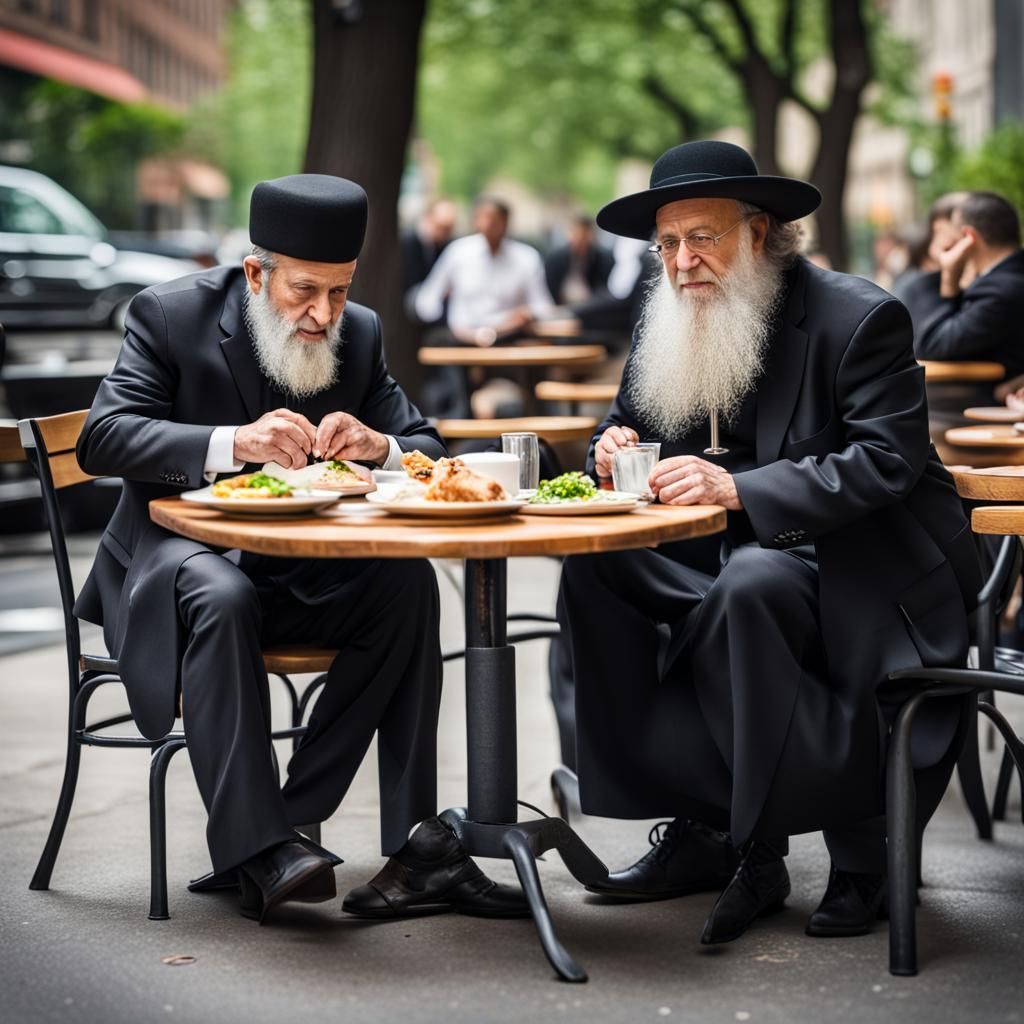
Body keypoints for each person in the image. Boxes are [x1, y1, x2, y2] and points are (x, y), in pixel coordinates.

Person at [558, 141, 980, 945]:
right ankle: (705, 823)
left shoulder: (861, 317)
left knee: (751, 587)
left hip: (864, 565)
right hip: (727, 561)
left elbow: (887, 461)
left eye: (701, 238)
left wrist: (740, 490)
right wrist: (608, 450)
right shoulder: (672, 319)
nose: (681, 262)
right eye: (668, 244)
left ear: (758, 233)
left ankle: (837, 851)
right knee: (599, 573)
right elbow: (626, 427)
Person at [74, 174, 526, 924]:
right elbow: (103, 437)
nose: (324, 316)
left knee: (407, 586)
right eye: (305, 292)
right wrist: (230, 443)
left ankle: (402, 849)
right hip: (173, 566)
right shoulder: (168, 314)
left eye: (340, 294)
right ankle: (262, 847)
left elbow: (422, 444)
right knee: (225, 594)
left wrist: (379, 445)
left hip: (296, 571)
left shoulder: (361, 333)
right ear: (256, 272)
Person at [414, 196, 556, 346]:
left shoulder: (527, 257)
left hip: (510, 338)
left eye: (496, 219)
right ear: (476, 220)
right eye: (485, 218)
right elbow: (427, 302)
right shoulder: (458, 253)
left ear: (506, 222)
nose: (490, 224)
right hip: (463, 340)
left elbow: (543, 306)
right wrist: (448, 320)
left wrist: (527, 314)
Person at [914, 190, 1024, 377]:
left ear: (968, 236)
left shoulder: (1000, 292)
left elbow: (932, 347)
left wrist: (949, 278)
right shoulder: (1006, 278)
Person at [401, 197, 458, 321]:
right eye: (441, 227)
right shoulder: (407, 242)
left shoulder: (445, 245)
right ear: (428, 219)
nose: (444, 233)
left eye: (448, 229)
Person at [544, 214, 614, 305]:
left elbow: (605, 289)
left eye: (583, 237)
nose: (579, 241)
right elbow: (549, 290)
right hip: (562, 305)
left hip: (591, 306)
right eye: (576, 235)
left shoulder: (602, 259)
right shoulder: (555, 259)